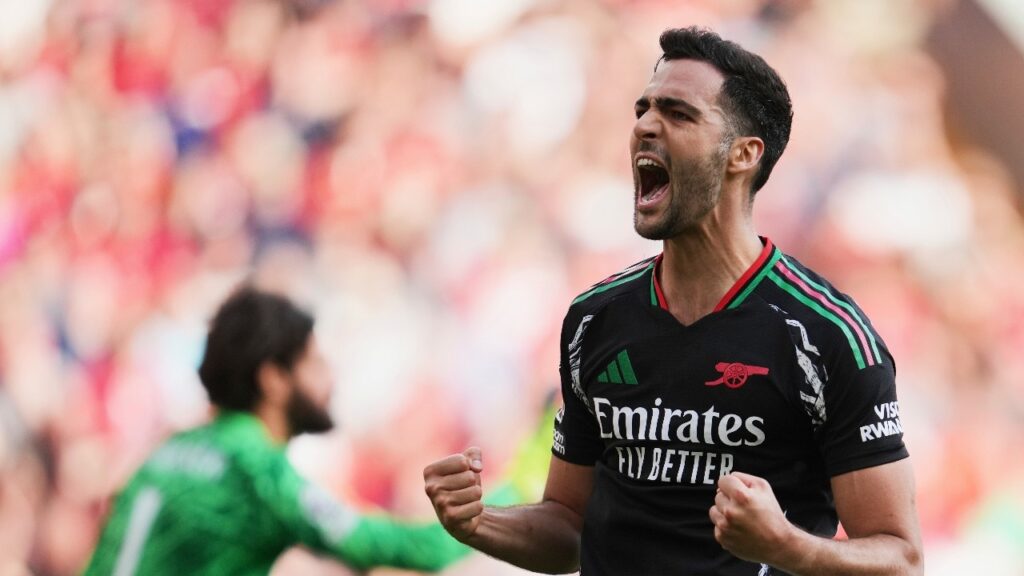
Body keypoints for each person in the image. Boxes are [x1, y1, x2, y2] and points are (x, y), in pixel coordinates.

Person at [423, 26, 923, 575]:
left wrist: (785, 546)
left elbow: (901, 560)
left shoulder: (828, 336)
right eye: (643, 109)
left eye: (679, 114)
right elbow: (568, 526)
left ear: (743, 154)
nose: (644, 125)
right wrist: (478, 522)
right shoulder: (594, 320)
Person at [83, 287, 531, 575]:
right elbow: (404, 548)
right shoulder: (255, 468)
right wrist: (521, 491)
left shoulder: (166, 452)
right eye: (313, 363)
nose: (329, 377)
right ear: (273, 379)